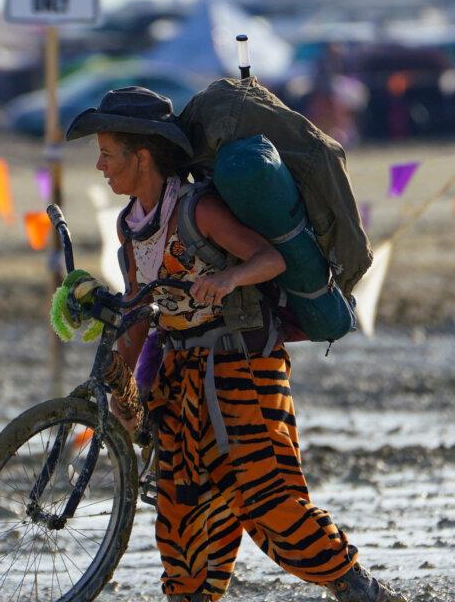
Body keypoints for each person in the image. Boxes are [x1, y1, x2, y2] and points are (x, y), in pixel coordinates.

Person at [62, 87, 406, 602]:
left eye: (108, 153)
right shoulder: (130, 227)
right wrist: (122, 383)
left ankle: (356, 587)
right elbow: (138, 310)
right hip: (179, 378)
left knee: (266, 494)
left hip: (243, 366)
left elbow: (270, 259)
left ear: (143, 156)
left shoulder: (197, 210)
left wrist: (227, 280)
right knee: (182, 507)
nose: (100, 166)